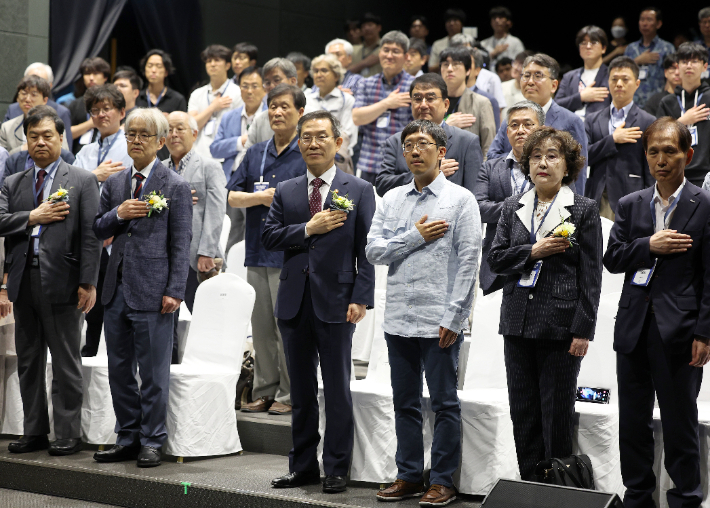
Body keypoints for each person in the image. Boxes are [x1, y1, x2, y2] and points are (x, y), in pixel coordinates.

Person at [367, 119, 481, 506]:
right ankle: (409, 475)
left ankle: (444, 479)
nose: (415, 151)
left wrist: (455, 316)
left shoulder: (461, 199)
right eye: (409, 145)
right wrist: (416, 235)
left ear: (442, 152)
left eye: (423, 144)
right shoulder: (392, 199)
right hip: (398, 315)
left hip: (439, 319)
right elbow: (373, 251)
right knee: (405, 402)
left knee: (445, 403)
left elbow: (469, 262)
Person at [265, 111, 376, 494]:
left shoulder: (358, 189)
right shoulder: (287, 189)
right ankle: (303, 466)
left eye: (321, 136)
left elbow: (367, 250)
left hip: (338, 301)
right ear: (299, 144)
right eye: (307, 137)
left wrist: (361, 297)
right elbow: (270, 237)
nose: (314, 143)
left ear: (338, 142)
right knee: (301, 390)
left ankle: (337, 468)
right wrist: (307, 229)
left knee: (337, 389)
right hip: (294, 301)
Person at [604, 118, 710, 508]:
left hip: (681, 332)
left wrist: (705, 333)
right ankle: (638, 498)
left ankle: (685, 499)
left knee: (680, 424)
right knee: (632, 424)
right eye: (653, 152)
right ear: (644, 156)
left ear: (688, 155)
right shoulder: (631, 204)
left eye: (670, 151)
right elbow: (612, 259)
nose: (661, 159)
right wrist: (650, 244)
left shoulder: (705, 205)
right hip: (633, 327)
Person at [488, 126, 602, 481]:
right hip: (517, 322)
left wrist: (583, 330)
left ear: (567, 167)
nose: (543, 163)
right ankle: (530, 488)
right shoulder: (511, 207)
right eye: (535, 156)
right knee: (523, 413)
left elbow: (591, 277)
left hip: (560, 326)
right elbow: (496, 260)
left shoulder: (583, 209)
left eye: (552, 156)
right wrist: (532, 251)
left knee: (556, 415)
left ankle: (558, 492)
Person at [92, 108, 192, 468]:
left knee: (152, 373)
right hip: (115, 288)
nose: (134, 140)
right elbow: (98, 229)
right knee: (118, 369)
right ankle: (128, 436)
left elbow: (182, 244)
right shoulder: (116, 183)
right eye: (130, 134)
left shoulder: (175, 186)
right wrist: (119, 214)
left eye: (143, 135)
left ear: (161, 141)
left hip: (154, 291)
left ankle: (152, 440)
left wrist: (175, 290)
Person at [0, 106, 101, 456]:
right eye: (33, 136)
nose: (40, 142)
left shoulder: (82, 179)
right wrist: (33, 216)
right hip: (23, 282)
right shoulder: (14, 182)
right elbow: (0, 220)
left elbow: (91, 235)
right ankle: (34, 431)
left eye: (47, 135)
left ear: (61, 138)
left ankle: (67, 433)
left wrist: (88, 282)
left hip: (65, 280)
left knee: (65, 362)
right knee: (28, 361)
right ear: (25, 140)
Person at [226, 84, 308, 416]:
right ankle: (264, 390)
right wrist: (260, 197)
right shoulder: (257, 151)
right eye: (272, 106)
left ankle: (290, 394)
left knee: (285, 326)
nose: (276, 112)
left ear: (300, 113)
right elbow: (233, 196)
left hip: (291, 252)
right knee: (260, 329)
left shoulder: (307, 151)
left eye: (284, 107)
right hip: (258, 250)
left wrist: (279, 198)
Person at [73, 84, 134, 357]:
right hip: (86, 233)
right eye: (95, 110)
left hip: (115, 235)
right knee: (89, 299)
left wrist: (111, 225)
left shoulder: (129, 145)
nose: (101, 115)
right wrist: (93, 175)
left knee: (112, 299)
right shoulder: (86, 150)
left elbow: (131, 191)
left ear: (121, 111)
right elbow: (70, 188)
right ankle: (90, 350)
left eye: (107, 109)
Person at [164, 111, 226, 362]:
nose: (174, 134)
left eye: (180, 128)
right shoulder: (160, 169)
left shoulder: (210, 167)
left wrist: (207, 251)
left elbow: (216, 210)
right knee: (167, 318)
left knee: (206, 320)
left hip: (197, 257)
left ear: (194, 133)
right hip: (166, 255)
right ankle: (169, 369)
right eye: (169, 129)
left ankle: (210, 371)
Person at [487, 54, 588, 194]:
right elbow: (492, 156)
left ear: (554, 85)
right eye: (526, 75)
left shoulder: (571, 121)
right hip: (510, 199)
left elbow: (578, 173)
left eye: (538, 76)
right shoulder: (512, 118)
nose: (530, 81)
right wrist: (521, 157)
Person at [474, 100, 545, 296]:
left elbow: (555, 208)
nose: (520, 130)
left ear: (542, 129)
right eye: (513, 125)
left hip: (538, 263)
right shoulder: (490, 167)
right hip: (495, 265)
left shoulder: (555, 168)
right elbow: (479, 208)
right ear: (506, 132)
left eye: (528, 124)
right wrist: (522, 206)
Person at [376, 73, 483, 196]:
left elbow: (475, 194)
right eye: (417, 99)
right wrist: (428, 173)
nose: (423, 105)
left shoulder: (467, 142)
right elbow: (382, 186)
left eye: (430, 99)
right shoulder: (396, 142)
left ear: (446, 105)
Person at [585, 57, 656, 221]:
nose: (619, 84)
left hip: (632, 196)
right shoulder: (592, 119)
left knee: (629, 246)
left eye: (625, 79)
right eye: (614, 79)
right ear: (607, 82)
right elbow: (583, 157)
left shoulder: (648, 121)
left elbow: (651, 166)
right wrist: (612, 139)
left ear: (637, 84)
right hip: (596, 196)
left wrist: (650, 200)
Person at [352, 31, 415, 185]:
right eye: (385, 50)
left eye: (396, 51)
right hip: (369, 162)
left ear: (406, 57)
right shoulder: (366, 84)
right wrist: (387, 103)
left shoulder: (416, 85)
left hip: (403, 165)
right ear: (379, 53)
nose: (389, 55)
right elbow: (357, 117)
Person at [657, 42, 710, 187]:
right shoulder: (667, 102)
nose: (689, 65)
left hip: (707, 174)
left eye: (694, 61)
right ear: (678, 66)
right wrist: (681, 122)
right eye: (684, 62)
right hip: (674, 174)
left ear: (705, 66)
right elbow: (657, 138)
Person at [239, 58, 300, 166]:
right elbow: (246, 158)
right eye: (267, 82)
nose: (271, 86)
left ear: (293, 81)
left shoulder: (312, 115)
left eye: (276, 80)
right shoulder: (260, 119)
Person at [211, 67, 267, 179]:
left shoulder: (270, 117)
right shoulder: (228, 117)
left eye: (255, 86)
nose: (249, 91)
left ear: (264, 89)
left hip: (261, 177)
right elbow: (215, 149)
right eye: (245, 86)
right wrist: (240, 142)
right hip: (231, 177)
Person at [188, 45, 242, 161]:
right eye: (209, 61)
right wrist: (212, 108)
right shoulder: (197, 94)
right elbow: (191, 126)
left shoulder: (237, 93)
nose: (212, 64)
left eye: (217, 60)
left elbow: (238, 128)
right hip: (198, 156)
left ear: (227, 65)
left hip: (226, 158)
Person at [304, 54, 357, 173]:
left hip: (337, 158)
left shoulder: (346, 99)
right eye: (316, 71)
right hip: (308, 156)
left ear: (336, 75)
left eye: (324, 70)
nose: (319, 74)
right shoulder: (306, 99)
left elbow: (348, 133)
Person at [439, 47, 496, 155]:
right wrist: (445, 127)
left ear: (468, 70)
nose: (450, 69)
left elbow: (489, 148)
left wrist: (483, 172)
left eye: (456, 64)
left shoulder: (482, 103)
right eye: (445, 64)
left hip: (471, 167)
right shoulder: (432, 102)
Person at [3, 63, 73, 148]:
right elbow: (3, 157)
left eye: (34, 94)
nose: (27, 99)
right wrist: (22, 149)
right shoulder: (7, 127)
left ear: (45, 100)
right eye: (24, 93)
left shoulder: (56, 123)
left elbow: (66, 154)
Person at [556, 26, 611, 120]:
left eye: (593, 42)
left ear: (603, 48)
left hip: (598, 129)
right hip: (569, 128)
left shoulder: (611, 75)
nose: (588, 46)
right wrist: (581, 97)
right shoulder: (569, 76)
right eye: (583, 43)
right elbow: (556, 106)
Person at [624, 7, 676, 108]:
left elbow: (674, 75)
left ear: (658, 24)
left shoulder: (667, 48)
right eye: (642, 19)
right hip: (633, 102)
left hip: (658, 102)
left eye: (649, 20)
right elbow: (621, 72)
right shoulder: (630, 48)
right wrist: (637, 61)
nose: (644, 23)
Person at [68, 57, 111, 155]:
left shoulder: (113, 103)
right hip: (79, 154)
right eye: (87, 74)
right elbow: (66, 134)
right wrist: (90, 124)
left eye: (96, 73)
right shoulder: (75, 104)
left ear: (105, 77)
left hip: (107, 152)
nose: (91, 78)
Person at [135, 49, 188, 115]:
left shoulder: (177, 99)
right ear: (144, 70)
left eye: (159, 66)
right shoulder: (136, 97)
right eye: (150, 66)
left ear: (166, 72)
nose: (153, 70)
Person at [463, 46, 507, 115]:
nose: (463, 68)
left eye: (467, 65)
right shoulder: (450, 89)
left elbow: (498, 109)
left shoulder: (492, 78)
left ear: (477, 70)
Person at [350, 13, 383, 77]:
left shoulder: (386, 49)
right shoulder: (353, 50)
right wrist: (364, 63)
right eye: (363, 26)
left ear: (379, 28)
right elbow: (343, 74)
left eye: (370, 25)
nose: (366, 28)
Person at [501, 51, 532, 118]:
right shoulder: (502, 86)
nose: (515, 67)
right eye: (515, 63)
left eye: (520, 65)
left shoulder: (531, 92)